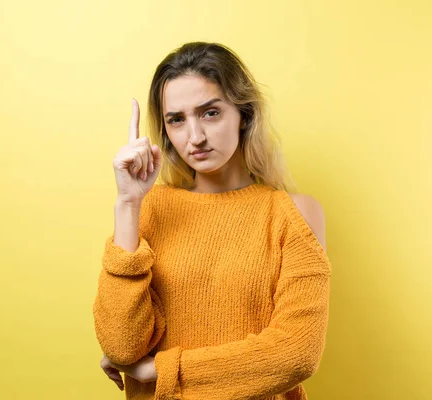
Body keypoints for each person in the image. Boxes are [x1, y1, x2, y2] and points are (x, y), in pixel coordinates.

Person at [93, 42, 331, 400]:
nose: (195, 137)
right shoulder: (150, 208)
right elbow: (123, 346)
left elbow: (296, 354)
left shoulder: (294, 213)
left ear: (244, 114)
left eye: (210, 113)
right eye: (177, 120)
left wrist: (157, 369)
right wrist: (128, 203)